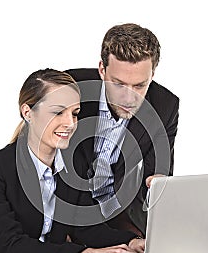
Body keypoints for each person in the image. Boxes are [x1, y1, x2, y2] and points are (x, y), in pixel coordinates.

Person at [0, 68, 144, 253]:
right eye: (58, 112)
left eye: (75, 114)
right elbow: (10, 245)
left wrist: (132, 242)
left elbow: (85, 229)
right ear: (27, 112)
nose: (70, 123)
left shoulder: (75, 165)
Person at [65, 23, 180, 236]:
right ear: (102, 69)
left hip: (117, 212)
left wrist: (158, 187)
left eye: (139, 86)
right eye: (118, 84)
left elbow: (158, 178)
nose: (129, 98)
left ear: (152, 74)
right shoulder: (69, 87)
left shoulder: (165, 106)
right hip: (65, 206)